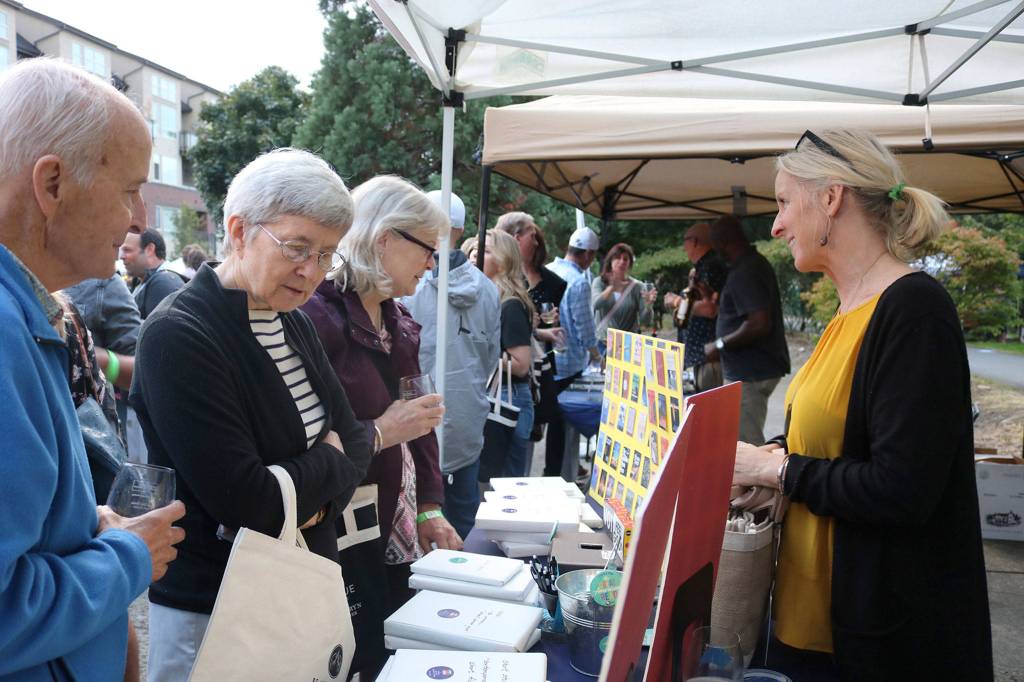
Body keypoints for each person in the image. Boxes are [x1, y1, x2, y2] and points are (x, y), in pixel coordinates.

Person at [733, 129, 992, 680]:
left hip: (875, 641)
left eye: (783, 202)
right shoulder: (851, 307)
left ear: (831, 199)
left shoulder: (915, 310)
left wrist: (776, 468)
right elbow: (843, 441)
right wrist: (771, 463)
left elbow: (902, 488)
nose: (775, 224)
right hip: (807, 624)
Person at [130, 149, 372, 681]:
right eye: (298, 247)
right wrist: (324, 471)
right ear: (239, 231)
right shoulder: (180, 335)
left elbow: (355, 441)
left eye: (327, 254)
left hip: (295, 588)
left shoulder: (292, 320)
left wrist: (305, 496)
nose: (312, 272)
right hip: (216, 612)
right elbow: (250, 503)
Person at [0, 58, 185, 682]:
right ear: (51, 184)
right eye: (130, 187)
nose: (138, 217)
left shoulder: (26, 308)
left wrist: (88, 526)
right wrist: (127, 556)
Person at [301, 175, 460, 676]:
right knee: (357, 655)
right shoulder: (316, 315)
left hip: (394, 521)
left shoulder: (397, 320)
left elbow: (420, 429)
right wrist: (382, 430)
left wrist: (431, 505)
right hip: (341, 532)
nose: (433, 263)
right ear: (385, 237)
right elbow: (305, 438)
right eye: (428, 249)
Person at [403, 191, 500, 539]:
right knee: (464, 524)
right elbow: (490, 358)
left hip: (418, 425)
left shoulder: (408, 286)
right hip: (466, 421)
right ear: (461, 229)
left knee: (418, 526)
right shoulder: (488, 290)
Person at [494, 212, 567, 477]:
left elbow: (521, 363)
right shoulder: (505, 291)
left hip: (516, 389)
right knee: (510, 474)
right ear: (515, 239)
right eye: (532, 236)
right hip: (514, 389)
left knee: (511, 477)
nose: (536, 242)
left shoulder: (513, 297)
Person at [704, 215, 789, 444]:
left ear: (723, 242)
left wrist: (720, 344)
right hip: (752, 370)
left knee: (746, 446)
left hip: (751, 373)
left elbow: (759, 322)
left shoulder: (748, 270)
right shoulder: (749, 264)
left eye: (715, 244)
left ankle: (757, 481)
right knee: (740, 440)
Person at [470, 229, 536, 477]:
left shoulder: (511, 305)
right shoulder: (490, 298)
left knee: (507, 485)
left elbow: (520, 364)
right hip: (498, 392)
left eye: (485, 251)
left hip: (509, 398)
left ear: (504, 260)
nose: (475, 254)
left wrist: (478, 351)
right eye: (475, 249)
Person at [664, 223, 728, 392]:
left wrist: (677, 301)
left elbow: (710, 308)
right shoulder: (703, 266)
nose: (684, 247)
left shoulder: (711, 265)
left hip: (707, 356)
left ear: (695, 242)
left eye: (685, 241)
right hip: (702, 355)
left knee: (710, 410)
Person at [591, 242, 657, 343]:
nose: (622, 262)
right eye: (617, 258)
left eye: (625, 259)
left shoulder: (637, 287)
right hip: (603, 343)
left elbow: (646, 322)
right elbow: (595, 305)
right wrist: (611, 288)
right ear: (610, 261)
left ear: (630, 263)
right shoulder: (599, 282)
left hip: (628, 346)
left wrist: (648, 305)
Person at [120, 228, 185, 318]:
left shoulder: (164, 283)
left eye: (127, 250)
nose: (121, 256)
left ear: (150, 249)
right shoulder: (144, 281)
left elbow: (160, 329)